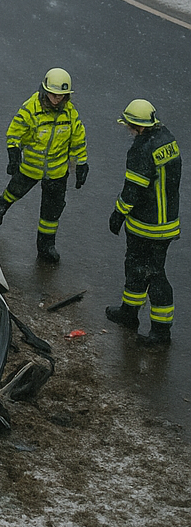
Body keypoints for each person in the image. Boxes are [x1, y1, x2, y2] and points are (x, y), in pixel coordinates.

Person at [0, 67, 87, 264]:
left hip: (57, 172)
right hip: (31, 167)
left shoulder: (70, 113)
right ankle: (2, 205)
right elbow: (14, 132)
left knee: (51, 213)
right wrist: (14, 155)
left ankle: (46, 247)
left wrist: (82, 163)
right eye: (53, 94)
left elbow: (78, 139)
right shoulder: (31, 108)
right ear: (45, 90)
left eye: (61, 95)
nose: (57, 99)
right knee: (15, 190)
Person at [105, 100, 180, 348]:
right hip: (166, 222)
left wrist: (118, 213)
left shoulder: (141, 150)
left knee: (153, 275)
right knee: (137, 268)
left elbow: (133, 190)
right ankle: (129, 312)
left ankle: (160, 332)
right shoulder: (167, 140)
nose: (128, 130)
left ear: (137, 126)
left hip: (148, 226)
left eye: (129, 125)